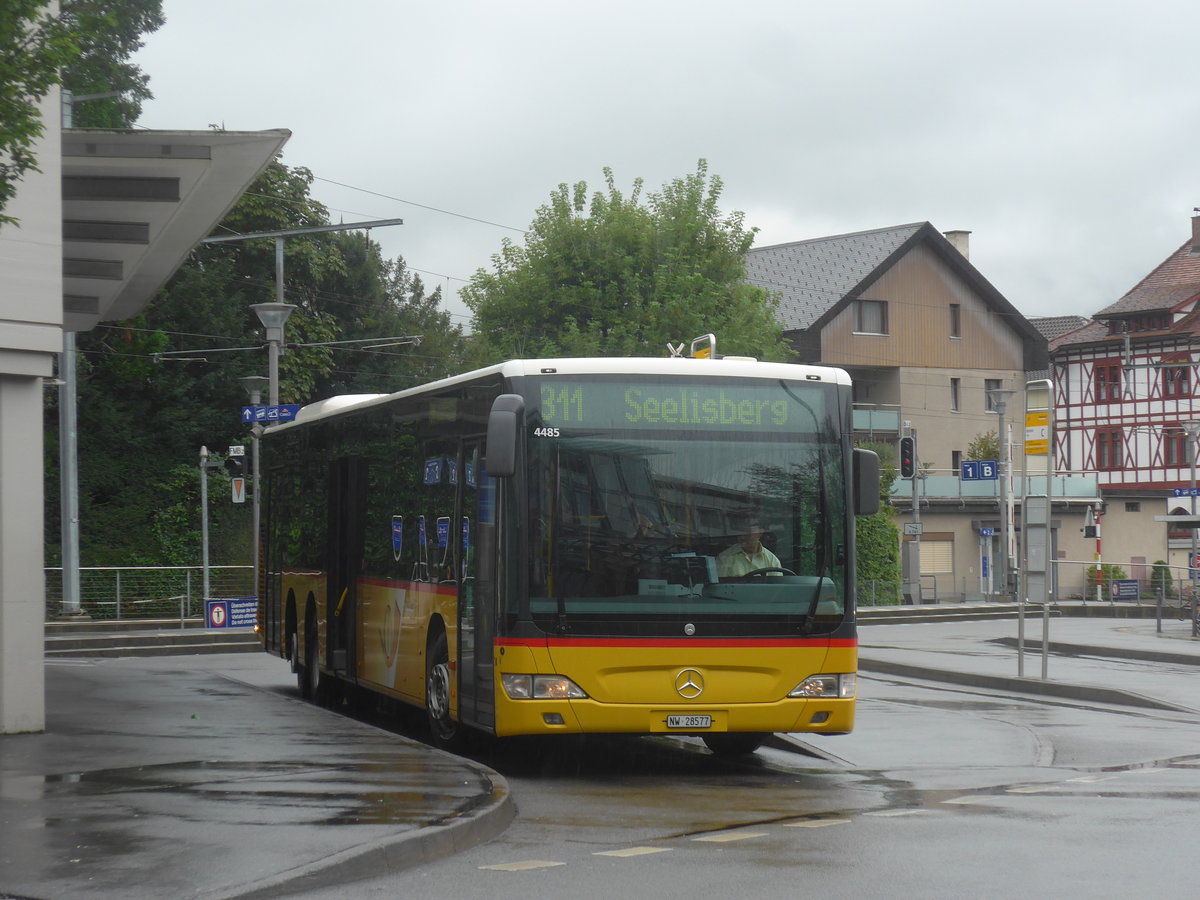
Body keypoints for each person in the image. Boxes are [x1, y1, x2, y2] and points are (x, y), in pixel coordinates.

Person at [716, 520, 781, 577]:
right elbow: (719, 588)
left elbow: (777, 589)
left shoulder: (772, 561)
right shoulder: (724, 559)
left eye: (747, 533)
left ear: (760, 533)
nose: (742, 538)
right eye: (739, 534)